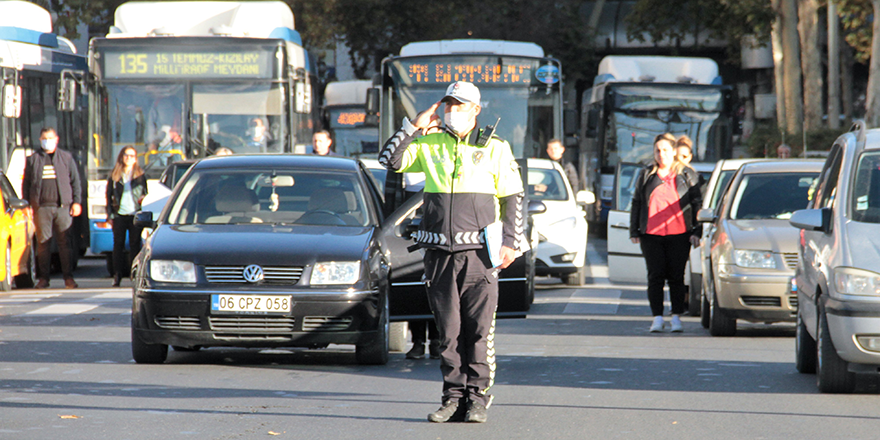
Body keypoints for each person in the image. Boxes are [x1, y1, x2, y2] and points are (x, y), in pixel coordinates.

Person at [379, 81, 527, 424]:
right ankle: (452, 396)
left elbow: (514, 197)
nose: (452, 112)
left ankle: (477, 397)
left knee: (479, 331)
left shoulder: (496, 147)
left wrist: (511, 243)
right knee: (448, 332)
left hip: (480, 254)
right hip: (439, 253)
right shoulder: (429, 143)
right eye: (448, 105)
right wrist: (413, 126)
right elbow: (390, 159)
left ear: (476, 110)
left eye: (460, 106)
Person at [629, 133, 702, 333]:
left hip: (679, 234)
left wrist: (697, 230)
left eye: (665, 150)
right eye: (657, 151)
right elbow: (636, 202)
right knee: (655, 276)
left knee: (676, 277)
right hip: (651, 234)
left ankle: (676, 317)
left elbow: (697, 204)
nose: (661, 155)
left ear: (673, 152)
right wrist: (634, 229)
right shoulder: (646, 175)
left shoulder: (686, 174)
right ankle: (657, 317)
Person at [23, 127, 83, 289]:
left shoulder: (66, 158)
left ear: (56, 139)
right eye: (44, 138)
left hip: (63, 208)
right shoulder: (33, 159)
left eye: (50, 138)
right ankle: (43, 279)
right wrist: (28, 205)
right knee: (43, 244)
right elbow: (26, 185)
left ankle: (68, 278)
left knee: (65, 243)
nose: (47, 141)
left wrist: (76, 202)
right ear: (40, 139)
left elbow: (76, 182)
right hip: (41, 208)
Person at [105, 146, 147, 287]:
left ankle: (134, 275)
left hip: (135, 215)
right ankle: (117, 276)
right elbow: (108, 196)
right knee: (118, 245)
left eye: (132, 155)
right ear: (121, 157)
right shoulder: (115, 175)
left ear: (136, 159)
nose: (128, 158)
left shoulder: (140, 175)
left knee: (135, 246)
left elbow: (145, 194)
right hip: (119, 215)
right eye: (126, 155)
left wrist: (143, 202)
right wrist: (110, 215)